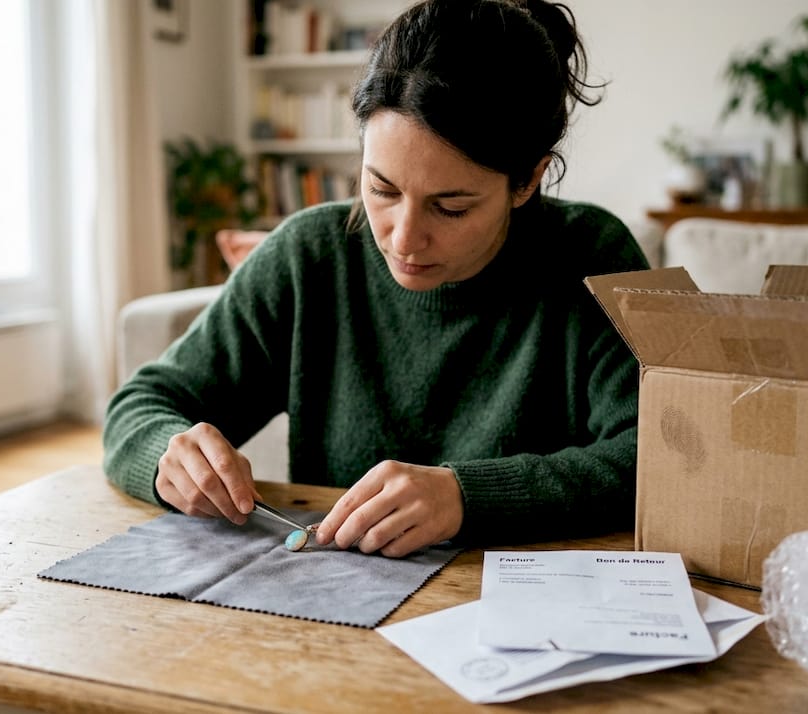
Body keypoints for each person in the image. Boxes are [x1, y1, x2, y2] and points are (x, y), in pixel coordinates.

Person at [103, 0, 648, 558]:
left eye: (451, 207)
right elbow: (140, 405)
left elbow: (665, 454)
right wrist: (169, 455)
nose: (403, 238)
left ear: (528, 179)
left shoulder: (596, 256)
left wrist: (469, 496)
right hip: (334, 614)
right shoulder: (307, 256)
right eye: (382, 189)